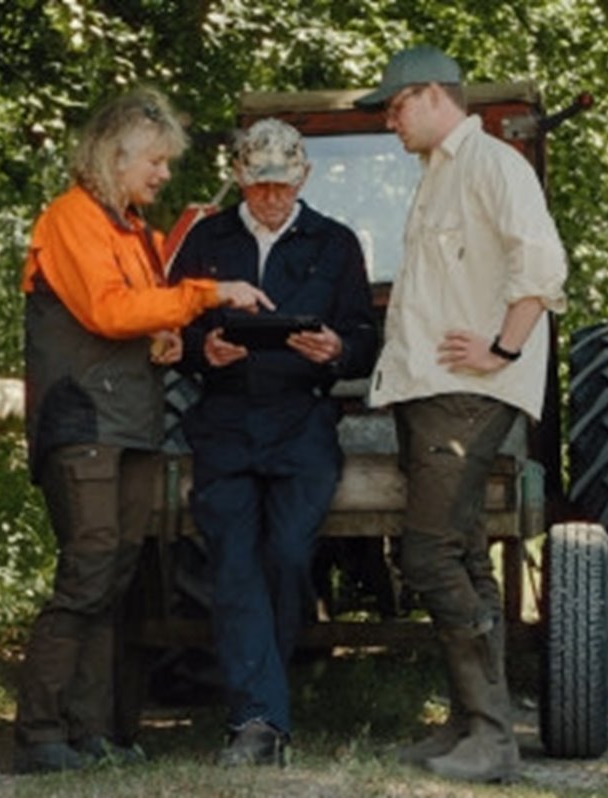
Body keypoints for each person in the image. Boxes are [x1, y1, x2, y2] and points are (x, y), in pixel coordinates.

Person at [15, 87, 273, 775]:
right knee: (89, 568)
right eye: (155, 161)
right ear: (115, 155)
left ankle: (95, 731)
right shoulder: (70, 218)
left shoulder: (133, 231)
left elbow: (139, 314)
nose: (163, 173)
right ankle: (39, 731)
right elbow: (106, 311)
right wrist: (206, 294)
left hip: (130, 422)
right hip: (82, 420)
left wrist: (170, 338)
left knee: (116, 576)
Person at [354, 45, 569, 783]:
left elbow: (541, 266)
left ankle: (492, 737)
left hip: (466, 394)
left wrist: (503, 349)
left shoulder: (493, 165)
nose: (389, 121)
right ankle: (472, 726)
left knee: (428, 554)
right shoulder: (438, 175)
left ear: (432, 95)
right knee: (465, 554)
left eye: (395, 106)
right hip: (430, 390)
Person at [169, 118, 378, 766]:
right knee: (233, 563)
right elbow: (172, 330)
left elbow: (365, 338)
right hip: (225, 422)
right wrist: (204, 351)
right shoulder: (206, 240)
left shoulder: (336, 243)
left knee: (287, 556)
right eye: (259, 185)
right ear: (237, 176)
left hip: (302, 423)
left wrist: (338, 349)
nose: (271, 197)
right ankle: (257, 722)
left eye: (283, 185)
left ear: (304, 177)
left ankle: (265, 702)